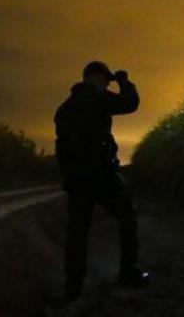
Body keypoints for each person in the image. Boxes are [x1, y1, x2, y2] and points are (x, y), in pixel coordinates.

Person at [54, 60, 149, 301]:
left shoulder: (64, 109)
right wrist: (124, 81)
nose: (108, 84)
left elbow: (62, 149)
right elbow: (131, 103)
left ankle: (73, 286)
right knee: (127, 213)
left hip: (76, 179)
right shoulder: (97, 98)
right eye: (106, 80)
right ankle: (128, 272)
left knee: (77, 231)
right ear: (96, 78)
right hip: (101, 174)